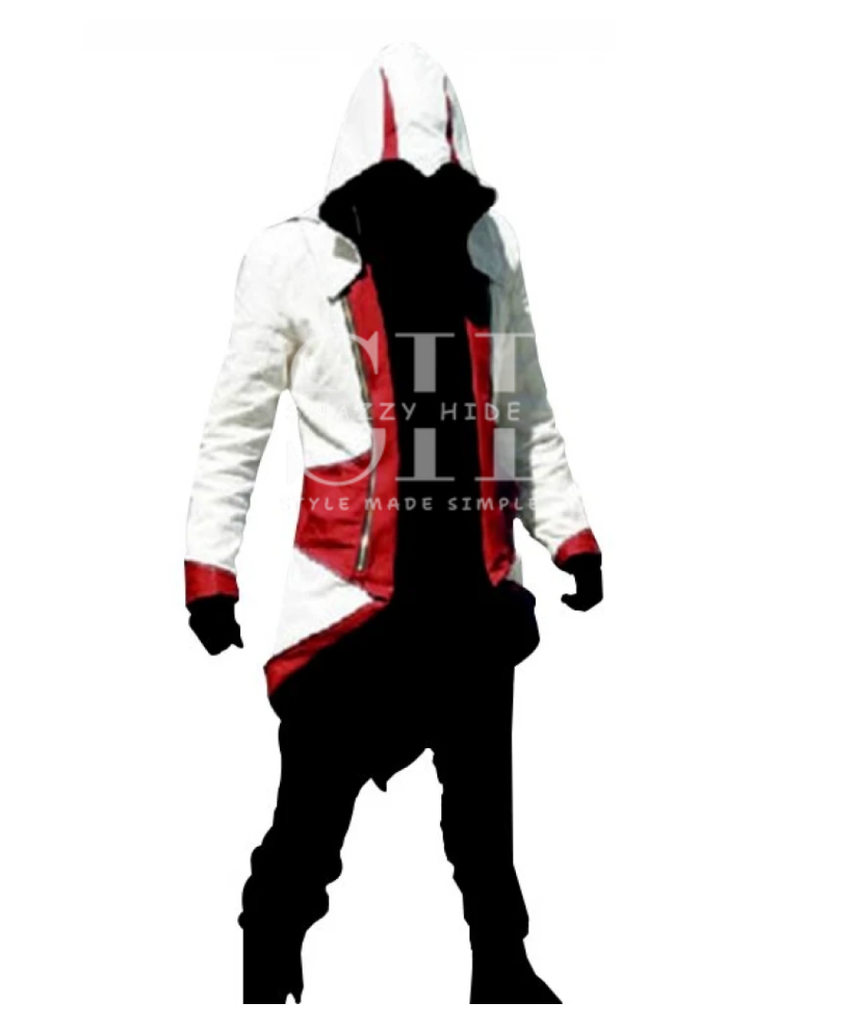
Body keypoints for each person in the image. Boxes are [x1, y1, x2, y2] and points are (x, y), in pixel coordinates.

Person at [183, 41, 603, 1004]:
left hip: (472, 590)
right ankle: (266, 966)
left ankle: (502, 966)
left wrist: (567, 531)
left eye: (437, 185)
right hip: (353, 606)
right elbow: (236, 425)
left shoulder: (491, 251)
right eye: (398, 183)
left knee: (486, 817)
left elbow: (523, 407)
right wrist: (211, 566)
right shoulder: (292, 262)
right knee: (308, 826)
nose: (420, 202)